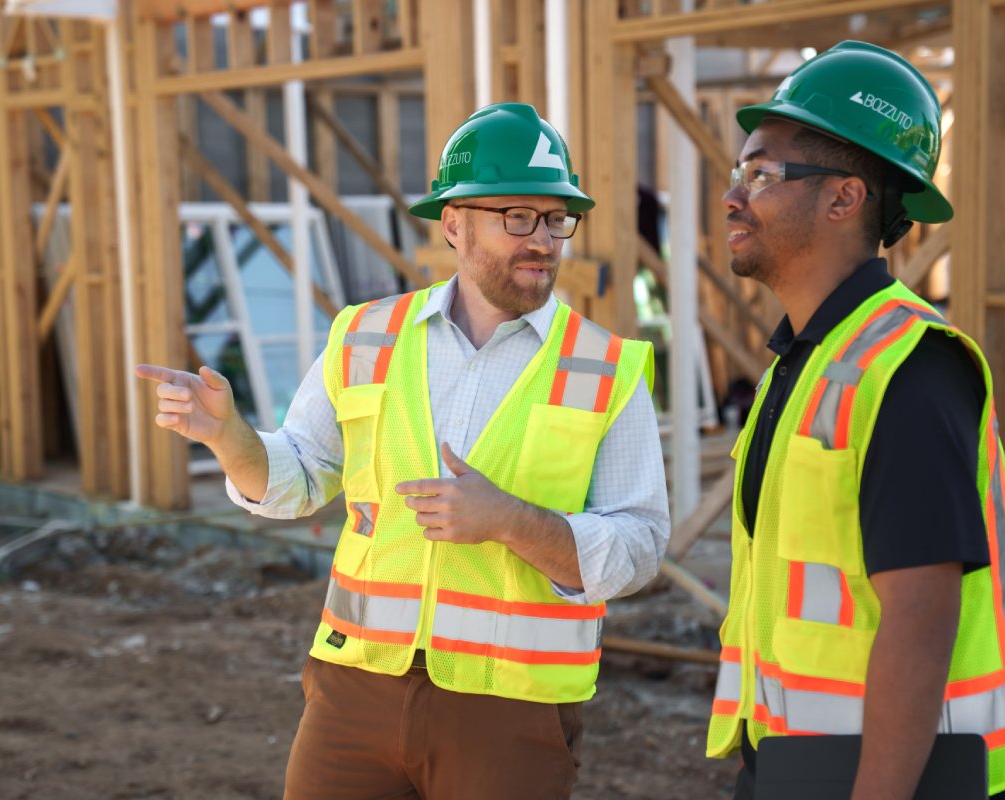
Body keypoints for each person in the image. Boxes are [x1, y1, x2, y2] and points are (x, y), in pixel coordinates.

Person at [136, 102, 669, 800]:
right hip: (355, 691)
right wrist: (226, 436)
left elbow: (639, 547)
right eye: (518, 217)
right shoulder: (365, 336)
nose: (542, 239)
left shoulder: (607, 369)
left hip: (511, 709)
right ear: (454, 223)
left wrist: (507, 519)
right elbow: (297, 477)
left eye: (555, 218)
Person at [706, 41, 1005, 799]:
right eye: (738, 171)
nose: (732, 195)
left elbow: (919, 614)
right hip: (803, 763)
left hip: (911, 777)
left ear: (844, 199)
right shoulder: (806, 362)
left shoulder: (910, 366)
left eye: (762, 173)